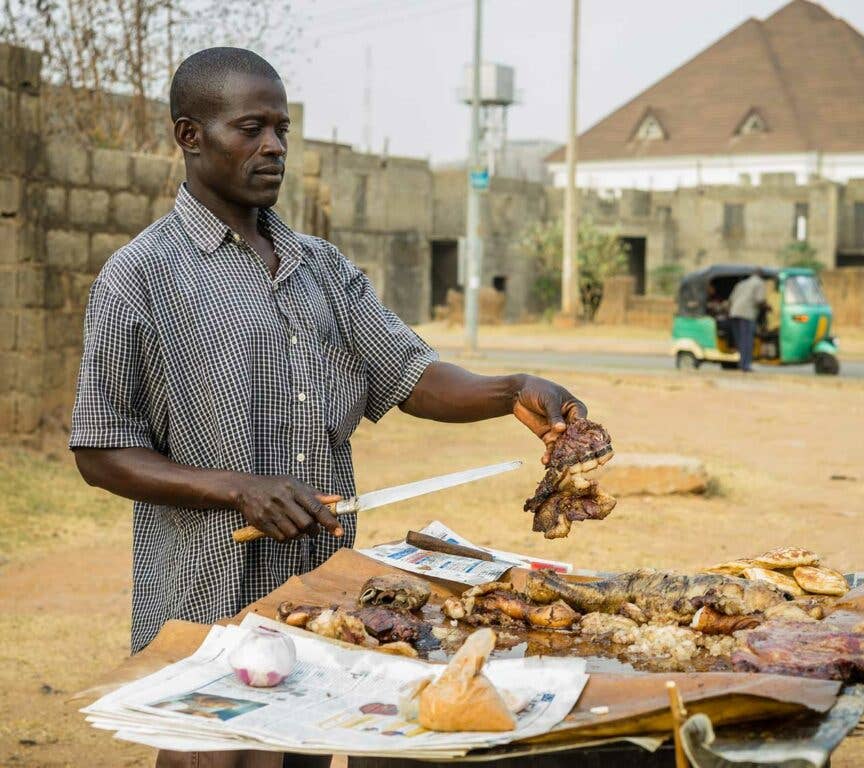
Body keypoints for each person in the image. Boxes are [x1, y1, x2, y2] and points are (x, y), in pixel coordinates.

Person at [69, 48, 587, 768]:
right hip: (206, 600)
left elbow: (411, 374)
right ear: (190, 135)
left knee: (310, 752)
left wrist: (510, 390)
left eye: (280, 129)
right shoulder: (140, 277)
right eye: (250, 128)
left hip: (317, 599)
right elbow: (99, 450)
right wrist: (237, 488)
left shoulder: (321, 268)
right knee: (218, 759)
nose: (274, 146)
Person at [727, 268, 767, 372]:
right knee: (747, 340)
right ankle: (745, 365)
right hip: (747, 314)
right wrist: (767, 307)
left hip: (734, 313)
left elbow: (731, 299)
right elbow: (759, 300)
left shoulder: (742, 284)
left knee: (740, 340)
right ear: (761, 275)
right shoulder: (759, 283)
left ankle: (741, 364)